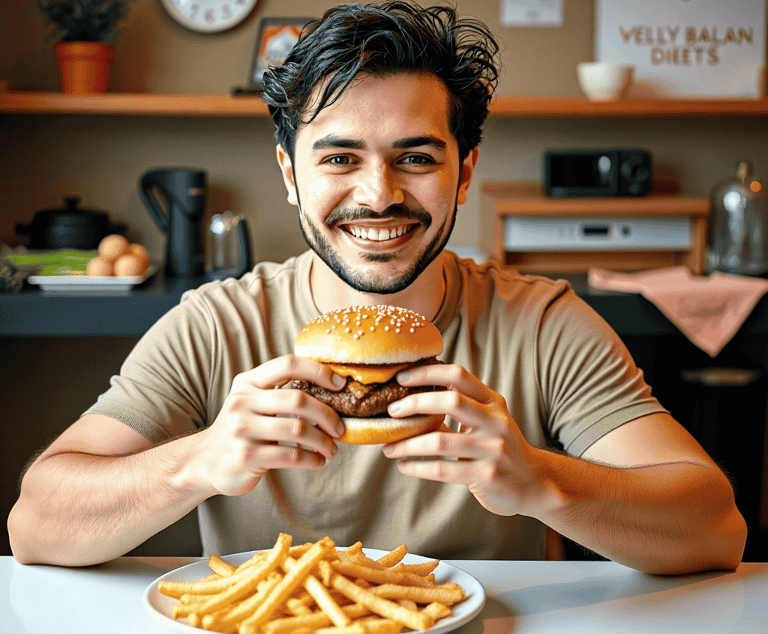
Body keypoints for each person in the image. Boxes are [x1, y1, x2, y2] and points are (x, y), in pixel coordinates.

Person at [8, 1, 746, 573]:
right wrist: (197, 461)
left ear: (464, 171)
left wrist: (540, 481)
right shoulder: (218, 323)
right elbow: (35, 525)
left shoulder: (544, 322)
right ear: (291, 177)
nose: (378, 194)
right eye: (338, 159)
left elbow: (716, 529)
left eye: (416, 157)